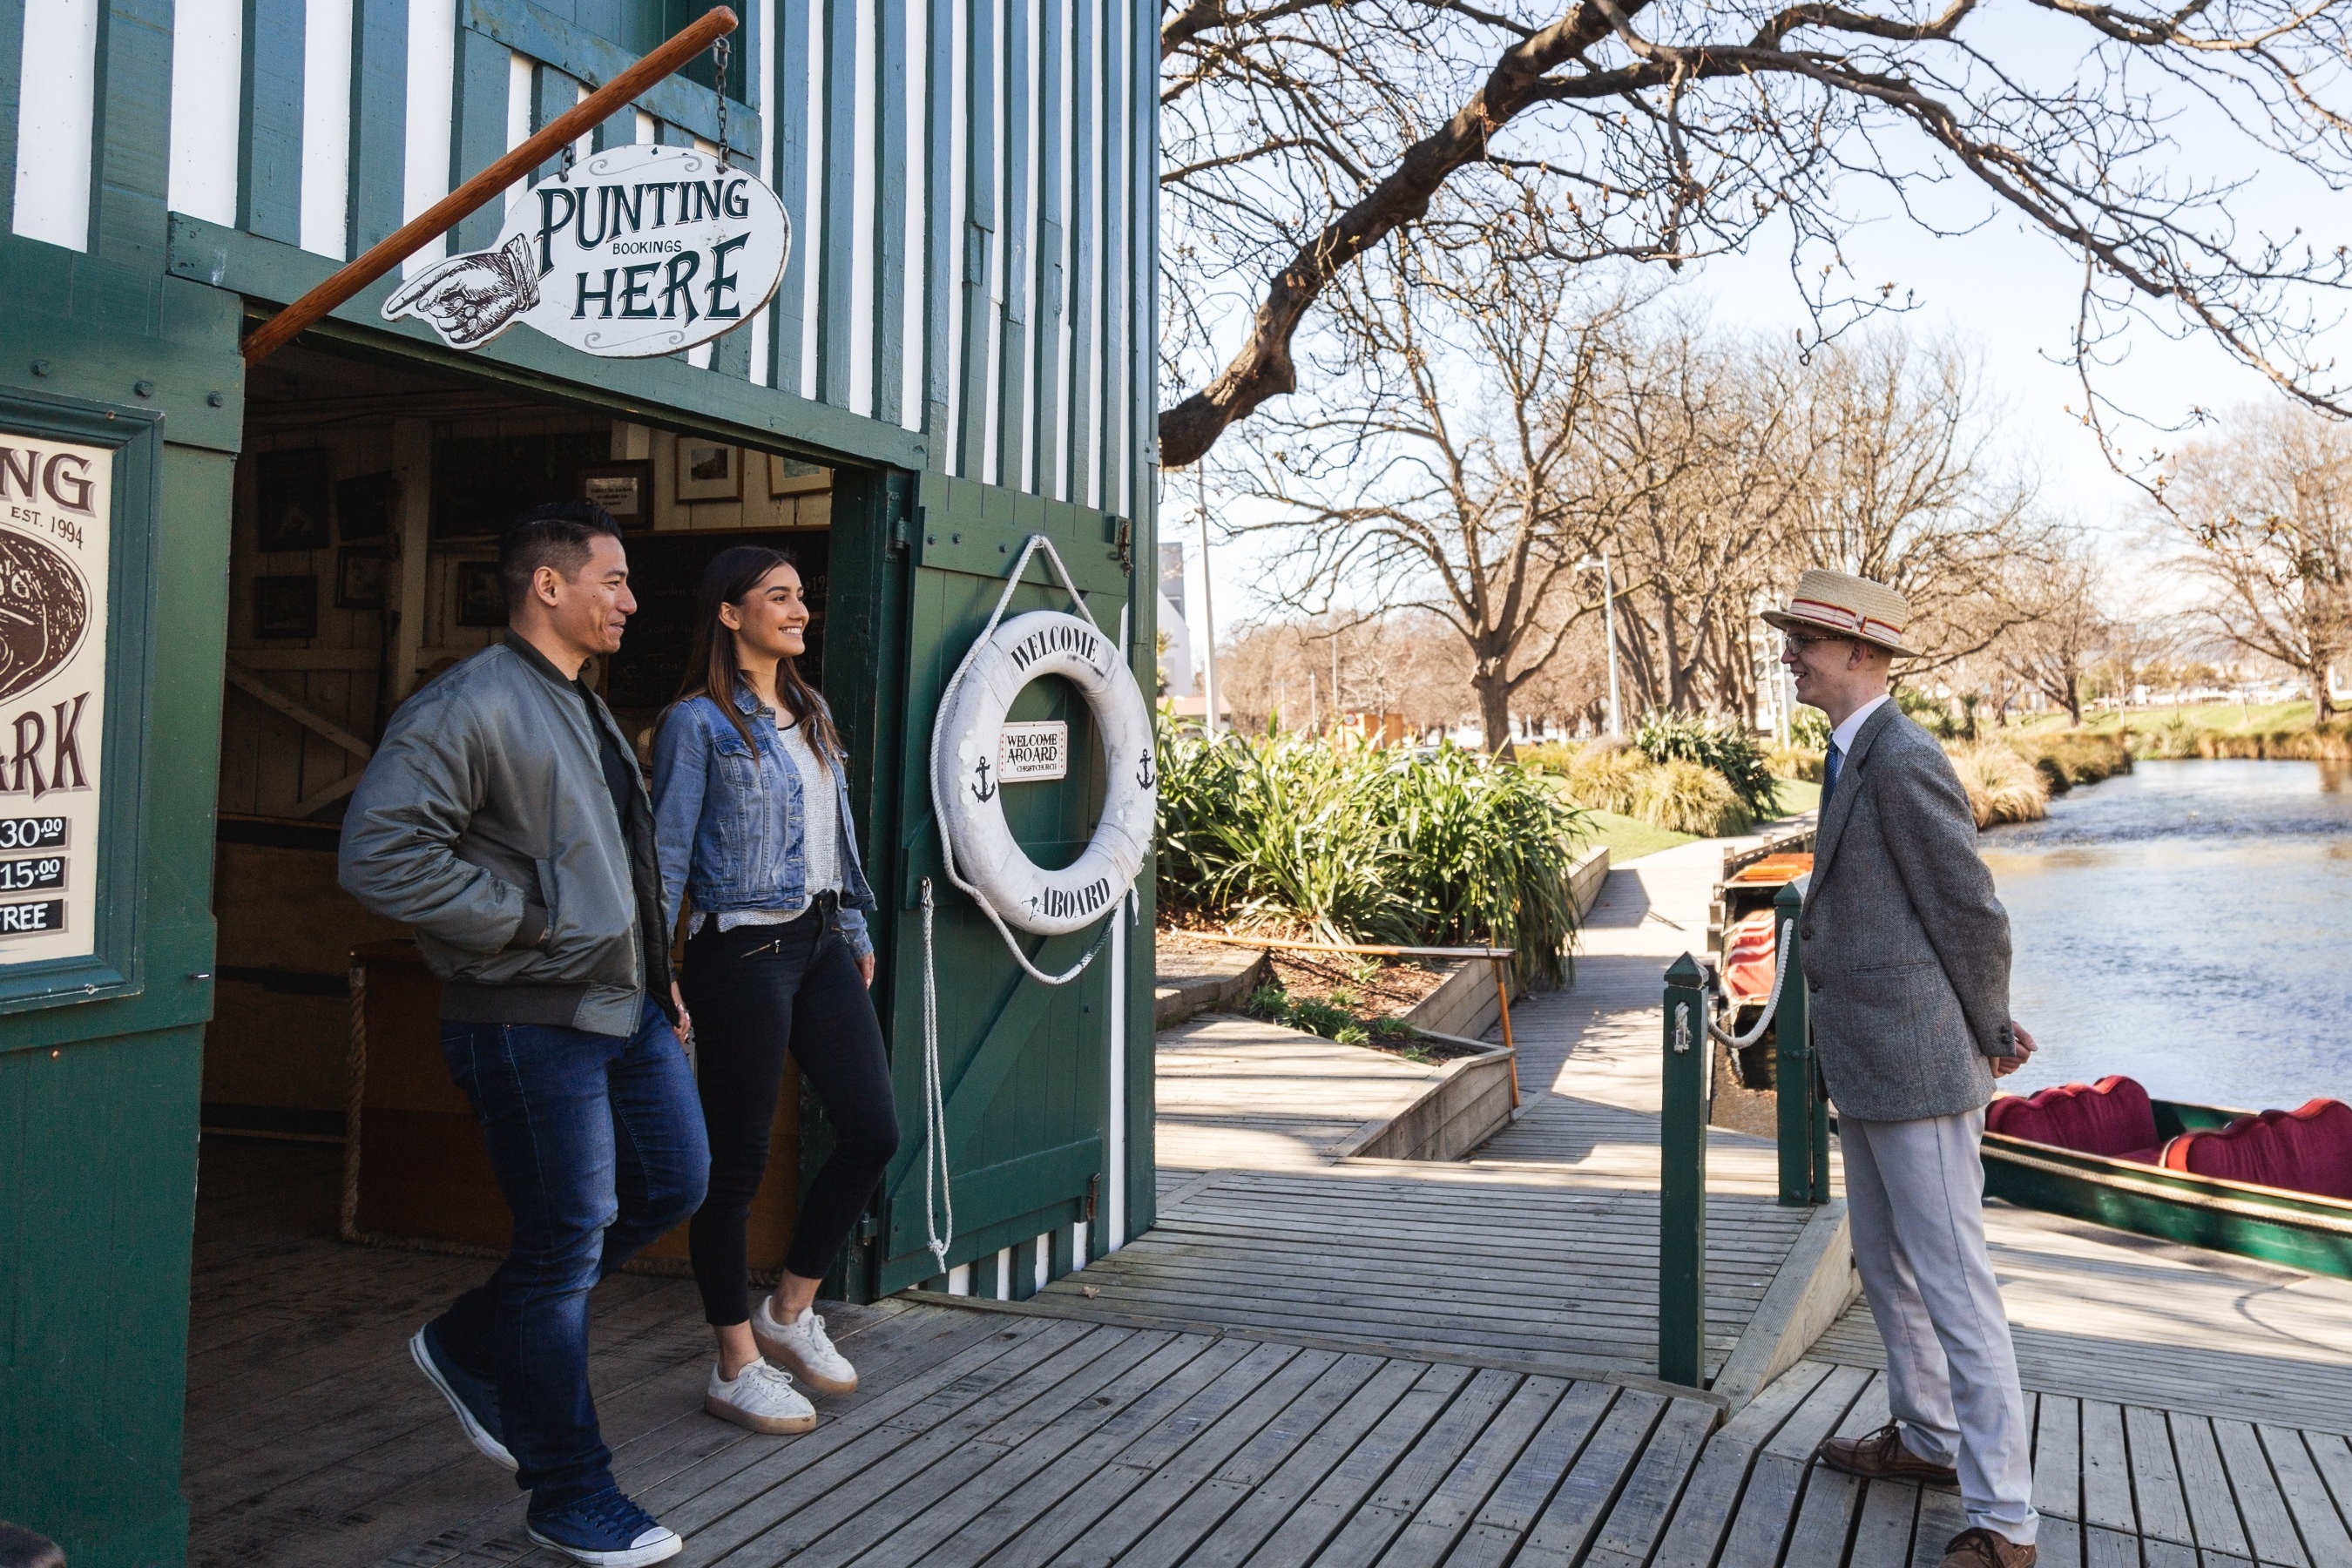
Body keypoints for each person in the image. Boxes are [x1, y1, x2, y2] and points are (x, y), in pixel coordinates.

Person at [339, 503, 706, 1568]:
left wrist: (659, 977)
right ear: (548, 586)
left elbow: (622, 866)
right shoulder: (470, 704)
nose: (632, 601)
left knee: (673, 1184)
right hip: (528, 1018)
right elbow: (379, 855)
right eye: (615, 580)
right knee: (564, 1244)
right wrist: (531, 925)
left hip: (624, 1006)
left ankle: (469, 1340)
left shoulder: (582, 706)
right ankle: (567, 1489)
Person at [1767, 569, 2042, 1568]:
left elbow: (1971, 913)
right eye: (1791, 635)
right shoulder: (1852, 755)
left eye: (1804, 638)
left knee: (1956, 1283)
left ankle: (2007, 1522)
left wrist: (1992, 1025)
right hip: (1872, 1060)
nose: (1790, 652)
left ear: (1860, 654)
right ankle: (1928, 1439)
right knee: (1885, 1265)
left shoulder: (1904, 757)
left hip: (1921, 1067)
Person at [651, 545, 896, 1436]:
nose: (799, 611)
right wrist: (660, 970)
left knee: (873, 1129)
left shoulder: (811, 708)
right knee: (736, 1165)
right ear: (729, 613)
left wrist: (856, 930)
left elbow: (838, 834)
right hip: (742, 950)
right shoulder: (696, 724)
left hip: (826, 938)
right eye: (779, 597)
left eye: (802, 597)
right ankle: (734, 1364)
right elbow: (666, 857)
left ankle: (788, 1311)